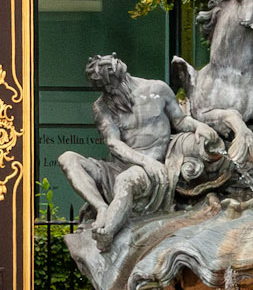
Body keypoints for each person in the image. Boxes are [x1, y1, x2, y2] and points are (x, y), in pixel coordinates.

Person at [59, 54, 227, 248]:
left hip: (149, 170)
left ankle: (106, 235)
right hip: (120, 166)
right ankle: (101, 208)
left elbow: (179, 121)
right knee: (68, 158)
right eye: (103, 90)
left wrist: (199, 126)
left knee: (126, 180)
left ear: (122, 77)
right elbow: (113, 143)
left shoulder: (158, 89)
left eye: (110, 88)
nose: (109, 94)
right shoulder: (102, 106)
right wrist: (144, 161)